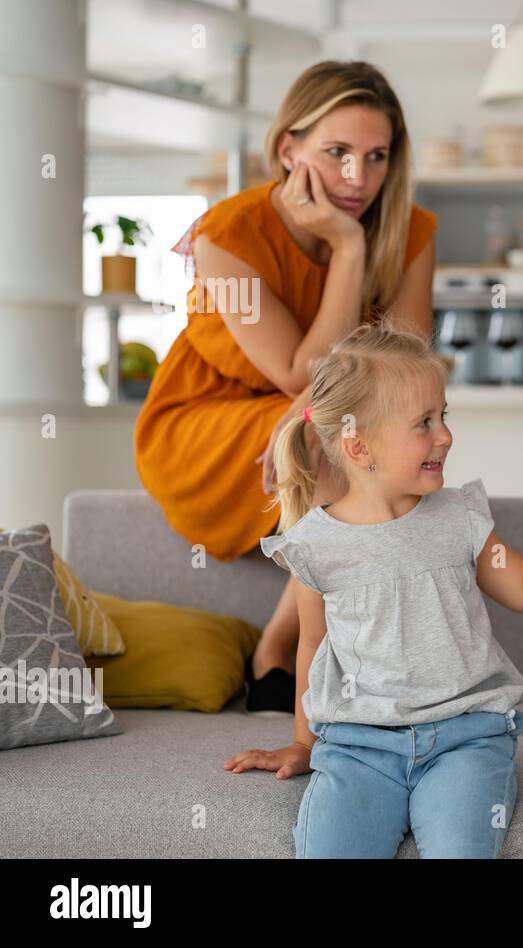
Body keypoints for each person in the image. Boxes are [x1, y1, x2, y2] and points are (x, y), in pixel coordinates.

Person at [223, 321, 523, 858]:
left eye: (444, 416)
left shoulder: (459, 517)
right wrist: (302, 743)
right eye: (424, 423)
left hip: (466, 741)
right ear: (360, 446)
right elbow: (312, 647)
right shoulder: (315, 543)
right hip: (358, 748)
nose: (446, 435)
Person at [134, 61, 436, 714]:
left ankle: (274, 646)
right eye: (337, 154)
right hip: (206, 420)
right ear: (287, 150)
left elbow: (406, 373)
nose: (359, 179)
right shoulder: (226, 235)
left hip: (316, 412)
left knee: (383, 434)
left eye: (376, 157)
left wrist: (307, 410)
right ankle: (303, 676)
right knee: (339, 436)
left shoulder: (410, 229)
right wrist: (349, 249)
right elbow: (300, 371)